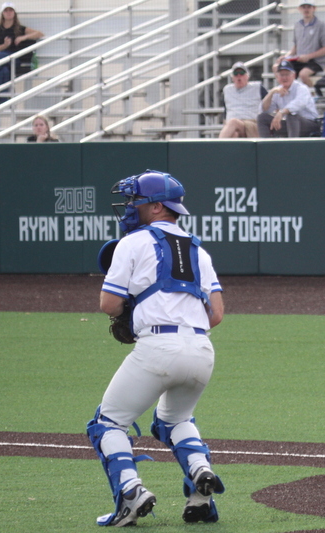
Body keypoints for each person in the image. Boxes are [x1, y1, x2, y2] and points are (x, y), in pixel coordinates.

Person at [87, 170, 225, 526]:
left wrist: (139, 318)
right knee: (174, 420)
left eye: (136, 200)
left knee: (108, 424)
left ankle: (131, 493)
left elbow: (109, 304)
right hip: (201, 349)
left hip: (158, 347)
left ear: (158, 207)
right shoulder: (199, 249)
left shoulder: (132, 242)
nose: (130, 207)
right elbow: (218, 313)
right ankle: (199, 481)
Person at [0, 2, 43, 98]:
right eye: (6, 10)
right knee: (4, 71)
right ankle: (4, 106)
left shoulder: (20, 28)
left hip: (14, 59)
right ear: (2, 13)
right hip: (1, 58)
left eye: (11, 10)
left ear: (14, 13)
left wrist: (24, 37)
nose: (8, 12)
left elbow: (39, 33)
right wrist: (5, 45)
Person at [275, 0, 325, 89]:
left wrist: (308, 56)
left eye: (309, 7)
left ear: (314, 8)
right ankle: (287, 93)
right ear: (299, 9)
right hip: (299, 60)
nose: (306, 9)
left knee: (303, 75)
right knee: (277, 67)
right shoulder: (297, 25)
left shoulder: (320, 25)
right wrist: (286, 56)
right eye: (303, 7)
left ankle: (313, 96)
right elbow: (296, 46)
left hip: (315, 62)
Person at [257, 60, 320, 138]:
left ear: (293, 75)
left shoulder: (301, 88)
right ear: (277, 77)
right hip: (290, 125)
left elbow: (299, 104)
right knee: (262, 118)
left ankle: (291, 148)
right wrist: (271, 93)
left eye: (287, 74)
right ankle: (265, 148)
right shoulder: (277, 90)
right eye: (281, 75)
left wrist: (281, 112)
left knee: (291, 116)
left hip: (310, 124)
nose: (284, 77)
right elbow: (264, 110)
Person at [219, 61, 267, 139]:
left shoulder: (257, 87)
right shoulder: (227, 90)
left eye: (241, 73)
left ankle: (217, 147)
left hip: (251, 122)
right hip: (232, 125)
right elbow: (226, 111)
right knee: (234, 134)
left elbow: (269, 103)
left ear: (247, 76)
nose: (239, 76)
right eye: (236, 74)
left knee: (233, 122)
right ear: (232, 78)